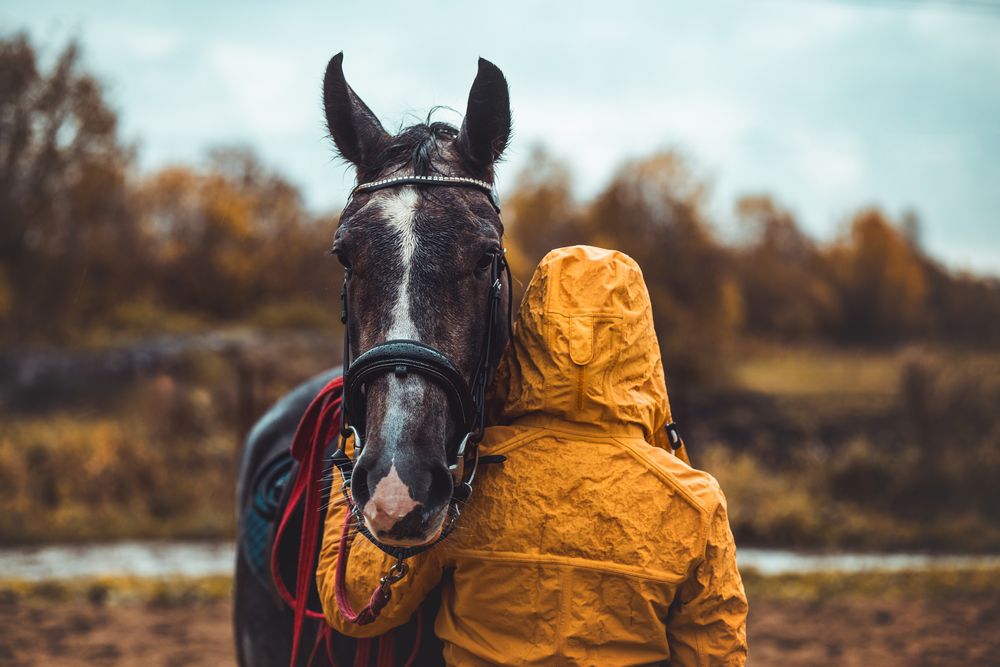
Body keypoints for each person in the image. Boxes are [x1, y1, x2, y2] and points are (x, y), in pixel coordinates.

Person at [317, 245, 748, 665]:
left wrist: (354, 454)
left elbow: (356, 606)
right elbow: (716, 655)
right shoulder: (693, 503)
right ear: (641, 342)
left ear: (532, 331)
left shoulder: (472, 480)